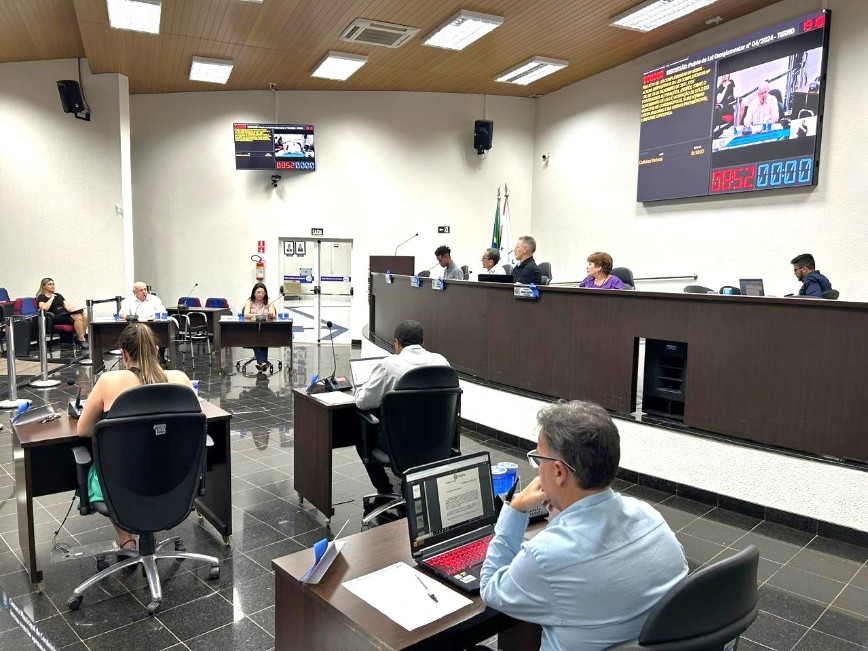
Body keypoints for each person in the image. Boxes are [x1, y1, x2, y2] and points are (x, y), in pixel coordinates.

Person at [480, 400, 688, 650]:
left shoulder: (545, 556)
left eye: (539, 459)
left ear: (559, 472)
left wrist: (515, 509)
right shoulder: (652, 519)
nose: (538, 470)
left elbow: (490, 588)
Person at [77, 323, 196, 552]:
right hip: (175, 478)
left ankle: (127, 540)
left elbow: (83, 430)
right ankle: (147, 533)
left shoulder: (108, 381)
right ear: (157, 350)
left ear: (123, 354)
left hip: (121, 481)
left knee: (106, 465)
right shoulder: (180, 380)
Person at [355, 320, 449, 494]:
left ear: (396, 343)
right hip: (437, 440)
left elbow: (363, 402)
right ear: (422, 341)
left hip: (400, 442)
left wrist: (359, 389)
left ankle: (385, 490)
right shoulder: (441, 362)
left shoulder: (389, 365)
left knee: (359, 432)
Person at [35, 278, 89, 351]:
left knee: (85, 316)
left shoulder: (58, 295)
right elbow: (44, 308)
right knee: (78, 317)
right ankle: (81, 340)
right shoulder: (41, 296)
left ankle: (80, 337)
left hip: (65, 314)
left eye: (53, 284)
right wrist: (51, 298)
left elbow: (68, 307)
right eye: (50, 284)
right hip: (54, 317)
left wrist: (77, 310)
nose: (52, 286)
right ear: (44, 286)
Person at [242, 282, 277, 372]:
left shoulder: (269, 302)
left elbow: (273, 315)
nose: (261, 294)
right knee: (255, 337)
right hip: (252, 328)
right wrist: (258, 315)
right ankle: (263, 363)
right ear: (254, 292)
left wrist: (270, 314)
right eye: (258, 292)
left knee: (263, 337)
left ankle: (261, 363)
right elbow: (246, 314)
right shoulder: (249, 302)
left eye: (263, 293)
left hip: (265, 329)